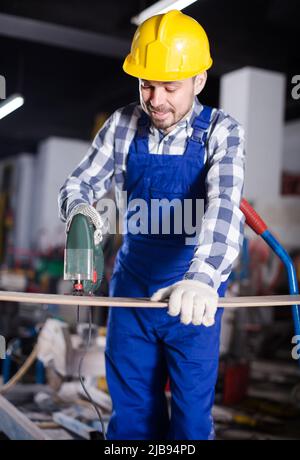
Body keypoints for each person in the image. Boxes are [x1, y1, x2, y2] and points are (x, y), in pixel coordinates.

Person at [58, 9, 245, 440]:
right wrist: (81, 212)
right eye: (146, 84)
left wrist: (201, 280)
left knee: (192, 424)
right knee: (132, 420)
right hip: (133, 293)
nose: (155, 99)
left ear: (199, 80)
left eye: (169, 86)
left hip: (194, 298)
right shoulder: (123, 125)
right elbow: (80, 183)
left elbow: (224, 207)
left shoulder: (222, 133)